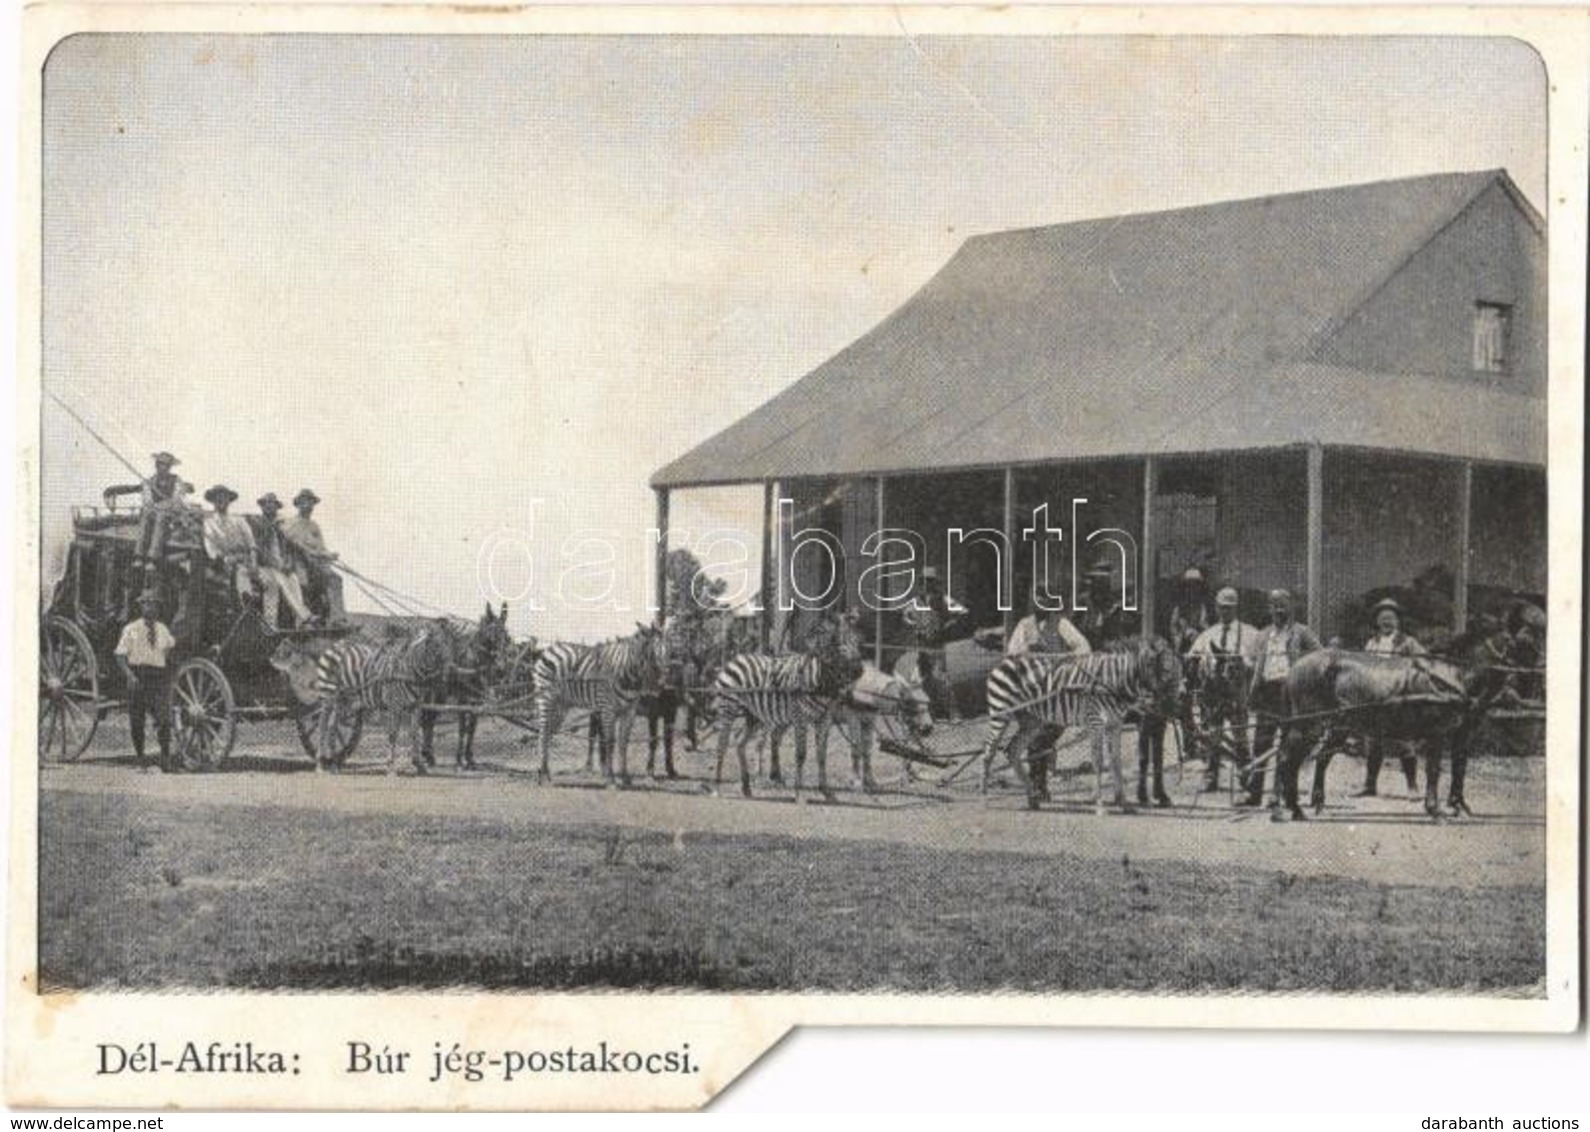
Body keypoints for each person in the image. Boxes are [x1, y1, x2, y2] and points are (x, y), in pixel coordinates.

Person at [1003, 595, 1092, 802]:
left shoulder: (1061, 624)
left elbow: (1084, 648)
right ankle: (1037, 785)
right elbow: (1012, 653)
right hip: (1031, 689)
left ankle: (1039, 781)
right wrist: (1027, 653)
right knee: (1035, 737)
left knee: (1048, 734)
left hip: (1055, 689)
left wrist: (1066, 656)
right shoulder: (1025, 626)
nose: (1041, 609)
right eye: (1037, 604)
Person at [1245, 588, 1322, 807]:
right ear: (1269, 609)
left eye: (1283, 605)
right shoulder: (1262, 635)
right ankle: (1255, 793)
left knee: (1287, 746)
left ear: (1291, 608)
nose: (1279, 610)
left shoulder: (1302, 633)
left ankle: (1279, 794)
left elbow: (1320, 657)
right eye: (1275, 605)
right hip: (1267, 693)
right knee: (1261, 744)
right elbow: (1252, 662)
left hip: (1291, 694)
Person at [1186, 586, 1260, 792]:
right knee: (1213, 736)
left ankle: (1246, 776)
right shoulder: (1208, 634)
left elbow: (1256, 665)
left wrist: (1242, 663)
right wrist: (1200, 664)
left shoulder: (1250, 634)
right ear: (1216, 609)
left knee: (1240, 736)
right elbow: (1192, 658)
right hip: (1213, 694)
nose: (1225, 612)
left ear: (1236, 609)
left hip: (1236, 693)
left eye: (1229, 608)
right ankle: (1211, 777)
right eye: (1221, 608)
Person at [1356, 597, 1425, 797]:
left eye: (1391, 618)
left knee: (1404, 743)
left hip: (1399, 698)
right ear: (1377, 622)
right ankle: (1370, 786)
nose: (1387, 622)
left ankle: (1412, 786)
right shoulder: (1371, 643)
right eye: (1383, 618)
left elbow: (1423, 662)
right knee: (1373, 742)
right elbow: (1362, 667)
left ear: (1398, 621)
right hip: (1375, 699)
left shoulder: (1408, 642)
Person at [115, 590, 179, 772]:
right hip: (138, 675)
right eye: (146, 603)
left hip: (157, 677)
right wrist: (130, 676)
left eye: (153, 604)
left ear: (158, 608)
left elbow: (169, 648)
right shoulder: (131, 629)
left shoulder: (162, 629)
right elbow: (120, 655)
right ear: (141, 606)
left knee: (164, 718)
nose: (150, 607)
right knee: (137, 720)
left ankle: (165, 758)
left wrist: (162, 666)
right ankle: (140, 758)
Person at [103, 451, 194, 571]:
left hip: (170, 514)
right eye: (161, 464)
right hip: (154, 511)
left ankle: (152, 558)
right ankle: (138, 555)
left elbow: (177, 499)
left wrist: (166, 505)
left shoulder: (176, 480)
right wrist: (153, 506)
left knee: (161, 518)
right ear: (157, 465)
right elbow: (147, 500)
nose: (164, 467)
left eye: (167, 465)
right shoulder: (150, 481)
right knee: (146, 515)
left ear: (170, 467)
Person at [902, 566, 966, 721]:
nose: (926, 585)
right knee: (921, 680)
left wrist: (947, 625)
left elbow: (963, 612)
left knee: (940, 677)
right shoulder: (916, 601)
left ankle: (953, 712)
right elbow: (905, 615)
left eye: (929, 582)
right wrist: (911, 623)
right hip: (920, 644)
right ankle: (931, 713)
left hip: (936, 645)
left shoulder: (943, 599)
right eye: (923, 582)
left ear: (935, 583)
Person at [282, 489, 347, 623]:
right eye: (305, 502)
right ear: (298, 504)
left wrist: (329, 555)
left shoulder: (314, 526)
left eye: (311, 503)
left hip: (316, 564)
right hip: (296, 563)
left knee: (335, 579)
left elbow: (321, 548)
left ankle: (337, 618)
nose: (309, 506)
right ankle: (303, 620)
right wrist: (311, 553)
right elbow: (293, 544)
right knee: (302, 583)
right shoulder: (289, 523)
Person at [251, 493, 314, 628]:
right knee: (274, 583)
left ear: (276, 508)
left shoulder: (282, 528)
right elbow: (258, 549)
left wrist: (288, 564)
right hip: (265, 567)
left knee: (293, 580)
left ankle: (300, 623)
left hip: (280, 567)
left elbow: (290, 549)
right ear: (262, 507)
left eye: (272, 504)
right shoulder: (257, 524)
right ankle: (271, 623)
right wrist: (270, 528)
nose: (269, 507)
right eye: (266, 504)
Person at [202, 485, 259, 608]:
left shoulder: (239, 520)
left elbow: (252, 544)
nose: (221, 500)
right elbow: (211, 549)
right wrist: (225, 559)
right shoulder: (208, 523)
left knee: (243, 570)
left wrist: (254, 564)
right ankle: (244, 600)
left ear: (229, 501)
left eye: (224, 497)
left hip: (244, 559)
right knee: (234, 572)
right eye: (217, 498)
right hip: (223, 561)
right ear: (213, 501)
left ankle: (246, 601)